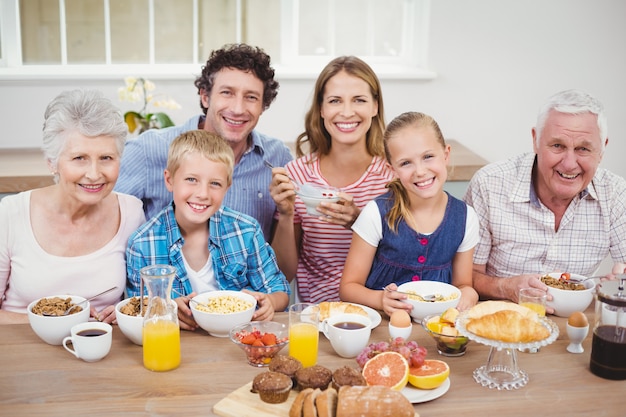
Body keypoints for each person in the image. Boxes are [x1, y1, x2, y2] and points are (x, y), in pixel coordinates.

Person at [464, 89, 626, 309]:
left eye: (583, 148)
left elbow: (622, 273)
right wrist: (505, 287)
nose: (569, 164)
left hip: (571, 327)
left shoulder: (616, 194)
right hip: (498, 320)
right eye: (557, 146)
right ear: (535, 140)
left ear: (602, 149)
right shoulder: (490, 184)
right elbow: (465, 278)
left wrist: (617, 286)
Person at [114, 43, 292, 240]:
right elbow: (100, 214)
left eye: (251, 97)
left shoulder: (277, 158)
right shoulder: (148, 151)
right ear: (205, 97)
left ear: (263, 106)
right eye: (227, 93)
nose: (238, 108)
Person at [0, 89, 145, 324]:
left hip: (98, 349)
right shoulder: (10, 213)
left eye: (106, 158)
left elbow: (141, 303)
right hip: (21, 350)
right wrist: (60, 319)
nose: (94, 174)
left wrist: (124, 314)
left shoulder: (131, 212)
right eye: (79, 158)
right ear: (52, 162)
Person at [126, 130, 290, 330]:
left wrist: (270, 302)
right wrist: (166, 308)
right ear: (169, 180)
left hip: (238, 345)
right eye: (191, 180)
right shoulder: (142, 244)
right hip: (178, 346)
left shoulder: (246, 232)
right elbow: (138, 311)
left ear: (227, 187)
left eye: (215, 183)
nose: (203, 194)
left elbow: (280, 291)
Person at [269, 56, 394, 303]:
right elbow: (283, 273)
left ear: (375, 107)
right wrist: (285, 214)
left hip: (378, 314)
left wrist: (361, 223)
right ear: (322, 109)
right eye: (335, 101)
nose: (347, 112)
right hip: (317, 318)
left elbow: (411, 262)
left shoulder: (392, 178)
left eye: (359, 100)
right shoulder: (297, 175)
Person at [339, 112, 479, 316]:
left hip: (437, 330)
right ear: (392, 169)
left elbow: (463, 284)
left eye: (428, 157)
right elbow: (348, 287)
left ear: (446, 154)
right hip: (383, 327)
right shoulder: (376, 214)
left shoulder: (466, 218)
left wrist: (469, 294)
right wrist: (380, 299)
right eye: (406, 163)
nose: (420, 171)